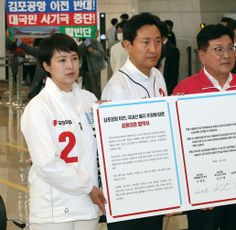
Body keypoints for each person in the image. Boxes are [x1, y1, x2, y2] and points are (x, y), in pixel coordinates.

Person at [173, 24, 236, 230]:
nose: (227, 55)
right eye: (218, 49)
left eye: (230, 48)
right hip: (202, 191)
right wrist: (194, 188)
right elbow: (178, 143)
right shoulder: (185, 90)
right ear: (202, 54)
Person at [20, 33, 106, 230]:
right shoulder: (39, 107)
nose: (70, 66)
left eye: (74, 58)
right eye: (62, 60)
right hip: (54, 210)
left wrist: (108, 119)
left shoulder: (89, 99)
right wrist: (87, 187)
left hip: (88, 206)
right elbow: (47, 164)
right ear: (46, 66)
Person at [101, 12, 167, 230]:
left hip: (154, 183)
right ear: (127, 45)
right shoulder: (118, 87)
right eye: (146, 42)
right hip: (129, 190)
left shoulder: (157, 75)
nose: (153, 49)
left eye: (158, 42)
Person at [157, 21, 180, 95]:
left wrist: (170, 92)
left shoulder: (172, 49)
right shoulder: (156, 47)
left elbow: (173, 74)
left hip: (166, 88)